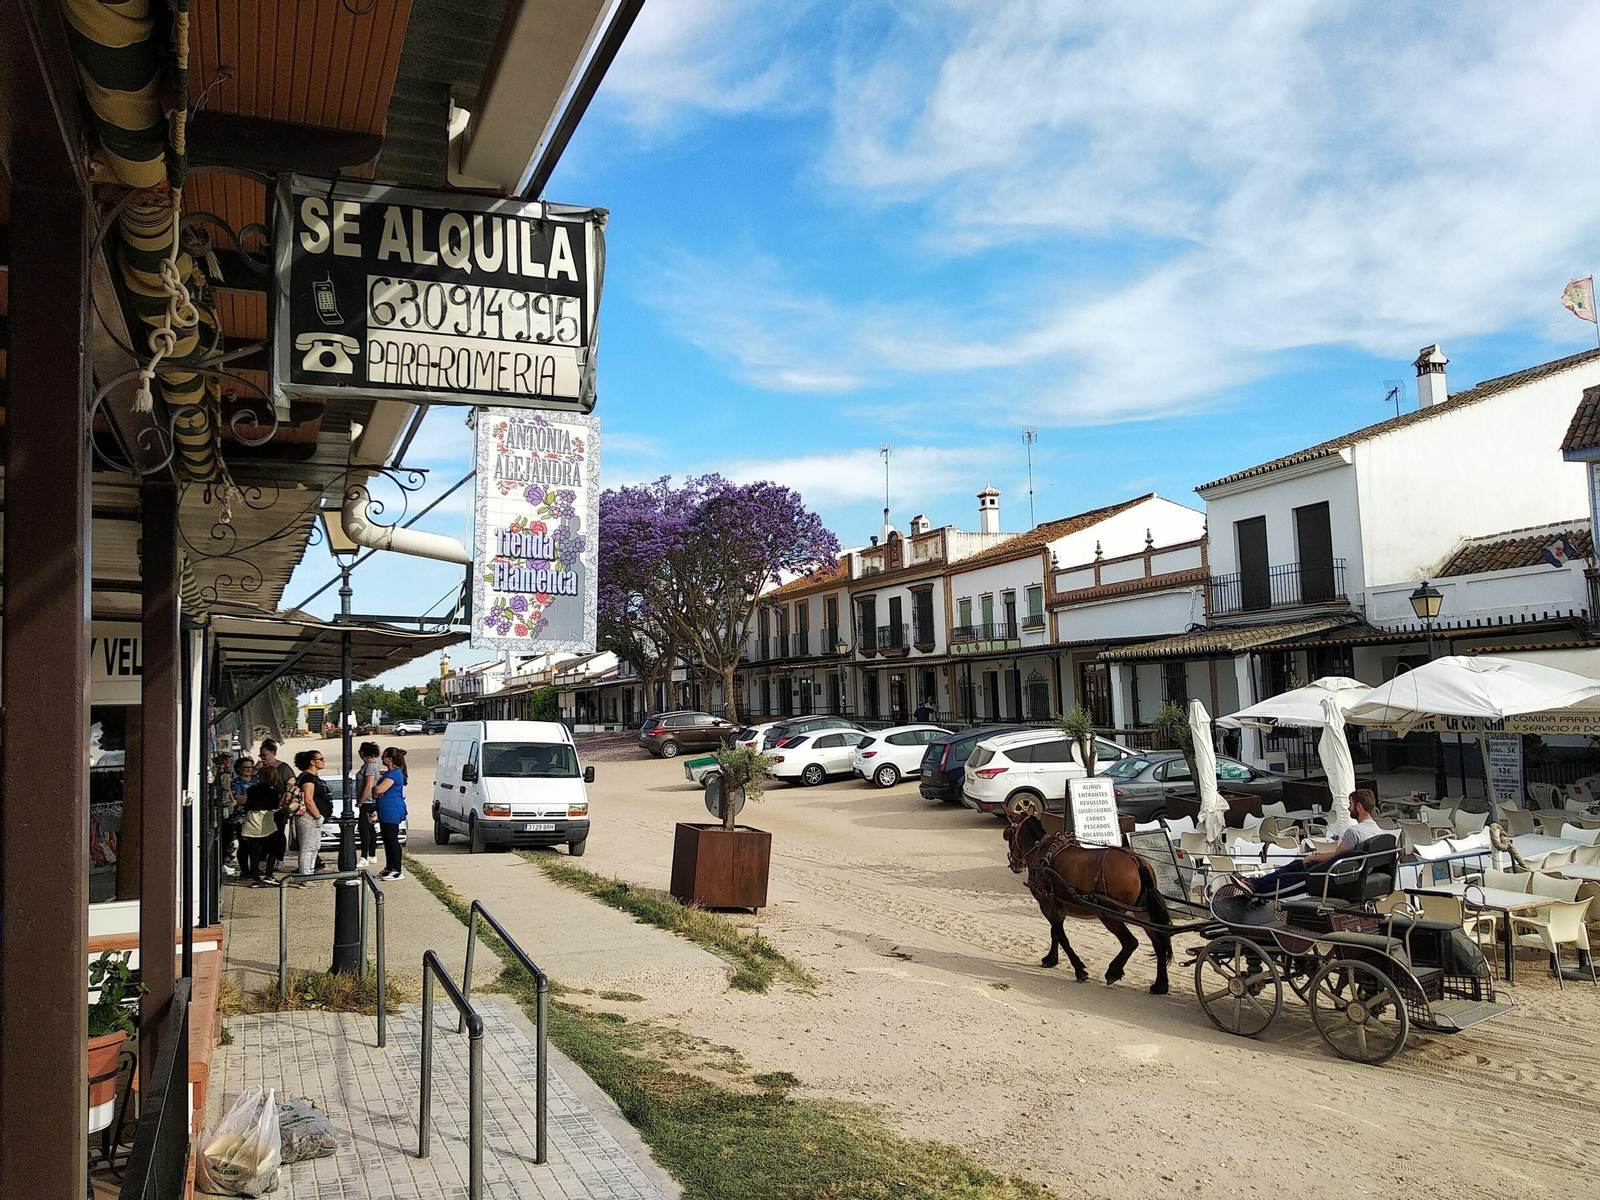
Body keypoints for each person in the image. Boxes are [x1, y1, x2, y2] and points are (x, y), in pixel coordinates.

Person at [1246, 789, 1384, 897]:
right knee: (1295, 866)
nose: (1348, 808)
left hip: (1335, 875)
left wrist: (1313, 857)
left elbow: (1337, 857)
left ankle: (1258, 890)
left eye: (1350, 804)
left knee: (1292, 874)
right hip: (1351, 872)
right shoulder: (1379, 832)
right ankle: (1255, 884)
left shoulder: (1355, 832)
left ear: (1359, 807)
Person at [290, 749, 331, 883]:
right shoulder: (307, 777)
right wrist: (318, 816)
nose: (323, 761)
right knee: (307, 847)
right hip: (308, 816)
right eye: (321, 759)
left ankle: (310, 874)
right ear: (312, 762)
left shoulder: (312, 777)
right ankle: (305, 877)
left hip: (314, 816)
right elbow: (308, 798)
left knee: (314, 846)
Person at [258, 739, 295, 873]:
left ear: (273, 753)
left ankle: (279, 858)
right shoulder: (261, 768)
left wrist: (288, 794)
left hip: (279, 806)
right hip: (263, 806)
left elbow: (291, 781)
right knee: (263, 833)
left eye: (265, 755)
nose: (262, 758)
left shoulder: (283, 767)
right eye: (261, 755)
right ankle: (263, 858)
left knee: (278, 832)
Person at [373, 746, 408, 881]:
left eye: (384, 757)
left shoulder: (395, 773)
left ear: (390, 759)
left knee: (392, 839)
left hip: (391, 808)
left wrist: (374, 789)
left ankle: (397, 870)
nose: (382, 759)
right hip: (385, 809)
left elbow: (379, 790)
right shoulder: (388, 773)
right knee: (387, 839)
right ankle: (389, 867)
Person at [238, 778, 281, 886]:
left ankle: (255, 878)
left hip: (252, 824)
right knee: (273, 849)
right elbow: (275, 807)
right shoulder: (274, 792)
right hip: (266, 824)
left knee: (254, 853)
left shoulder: (251, 789)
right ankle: (269, 875)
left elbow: (248, 804)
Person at [356, 741, 383, 868]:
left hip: (368, 802)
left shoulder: (370, 767)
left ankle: (364, 855)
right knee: (370, 828)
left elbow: (368, 785)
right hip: (370, 801)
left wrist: (360, 800)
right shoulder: (371, 765)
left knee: (364, 828)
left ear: (362, 753)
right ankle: (371, 854)